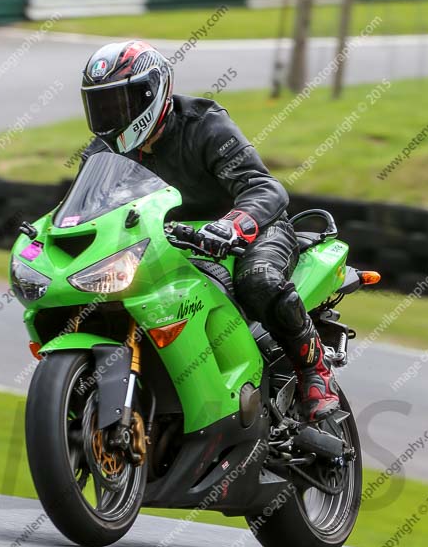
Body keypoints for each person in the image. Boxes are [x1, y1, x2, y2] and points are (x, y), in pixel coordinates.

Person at [79, 39, 339, 422]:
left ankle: (314, 372)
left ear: (154, 92)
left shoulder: (205, 124)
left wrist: (233, 226)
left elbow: (265, 188)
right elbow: (85, 211)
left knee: (259, 280)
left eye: (121, 103)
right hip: (166, 242)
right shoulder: (101, 152)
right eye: (101, 106)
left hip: (251, 231)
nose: (112, 115)